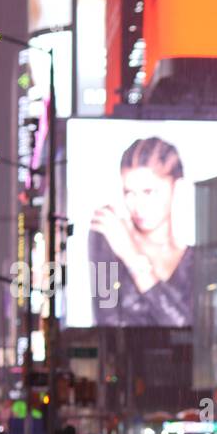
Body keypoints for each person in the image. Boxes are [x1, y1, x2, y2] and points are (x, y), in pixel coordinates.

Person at [89, 137, 193, 327]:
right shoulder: (108, 237)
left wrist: (132, 257)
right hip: (126, 357)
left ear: (176, 187)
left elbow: (187, 327)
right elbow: (106, 323)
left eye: (148, 192)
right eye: (129, 193)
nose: (138, 205)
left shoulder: (196, 257)